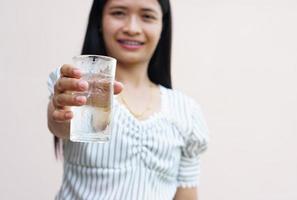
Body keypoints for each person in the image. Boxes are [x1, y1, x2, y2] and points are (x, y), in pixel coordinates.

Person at [47, 0, 209, 199]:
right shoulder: (77, 85)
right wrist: (60, 109)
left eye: (147, 16)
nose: (132, 28)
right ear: (99, 20)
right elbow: (60, 123)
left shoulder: (185, 110)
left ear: (162, 26)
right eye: (118, 13)